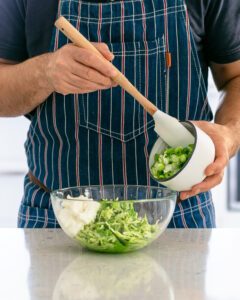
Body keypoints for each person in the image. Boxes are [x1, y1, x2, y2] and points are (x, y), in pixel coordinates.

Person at [0, 0, 239, 228]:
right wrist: (47, 72)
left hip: (178, 218)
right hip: (58, 219)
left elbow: (235, 75)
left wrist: (229, 133)